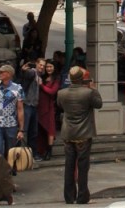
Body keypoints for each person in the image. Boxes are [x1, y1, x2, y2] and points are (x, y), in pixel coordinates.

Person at [57, 65, 102, 205]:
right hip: (83, 132)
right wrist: (94, 88)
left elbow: (60, 106)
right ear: (82, 78)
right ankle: (82, 196)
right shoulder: (88, 93)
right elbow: (98, 104)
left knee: (69, 165)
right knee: (83, 166)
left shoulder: (61, 93)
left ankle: (69, 196)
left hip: (68, 133)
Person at [38, 58, 60, 159]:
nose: (48, 68)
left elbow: (52, 91)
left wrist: (41, 85)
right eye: (47, 67)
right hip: (40, 106)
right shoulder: (42, 77)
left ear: (54, 68)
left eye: (50, 67)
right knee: (41, 129)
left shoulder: (56, 78)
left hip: (49, 106)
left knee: (50, 128)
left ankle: (49, 151)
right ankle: (41, 150)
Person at [19, 58, 41, 154]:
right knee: (24, 130)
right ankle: (22, 153)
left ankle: (32, 153)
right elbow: (29, 74)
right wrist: (23, 70)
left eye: (43, 66)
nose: (42, 67)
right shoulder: (32, 73)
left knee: (33, 132)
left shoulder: (39, 76)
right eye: (40, 65)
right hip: (27, 104)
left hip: (34, 105)